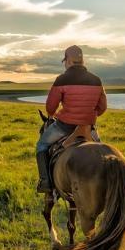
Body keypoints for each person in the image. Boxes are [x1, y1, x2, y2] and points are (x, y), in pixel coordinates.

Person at [36, 45, 107, 194]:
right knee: (103, 155)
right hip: (88, 128)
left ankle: (46, 182)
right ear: (82, 61)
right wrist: (88, 116)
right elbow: (102, 108)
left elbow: (50, 109)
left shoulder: (61, 80)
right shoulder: (96, 80)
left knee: (42, 145)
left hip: (64, 127)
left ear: (68, 61)